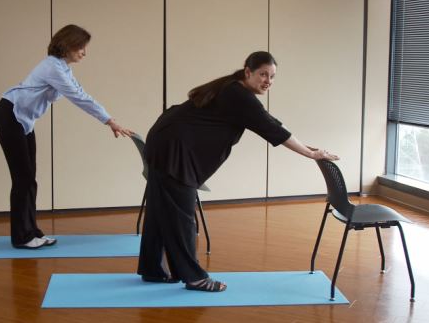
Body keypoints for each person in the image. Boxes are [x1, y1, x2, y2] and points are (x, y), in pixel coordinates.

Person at [137, 51, 339, 292]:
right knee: (183, 217)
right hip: (174, 150)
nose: (268, 81)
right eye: (263, 74)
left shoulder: (233, 89)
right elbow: (271, 128)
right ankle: (194, 277)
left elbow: (272, 122)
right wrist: (310, 154)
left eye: (272, 77)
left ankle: (153, 270)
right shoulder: (238, 95)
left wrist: (308, 147)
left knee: (161, 211)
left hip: (164, 142)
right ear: (248, 72)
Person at [0, 24, 132, 249]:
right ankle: (22, 237)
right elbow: (79, 98)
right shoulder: (53, 68)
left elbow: (81, 92)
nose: (84, 53)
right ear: (68, 45)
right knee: (23, 178)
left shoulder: (63, 68)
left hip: (22, 120)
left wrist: (109, 119)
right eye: (81, 47)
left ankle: (31, 231)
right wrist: (109, 121)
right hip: (10, 115)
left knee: (29, 178)